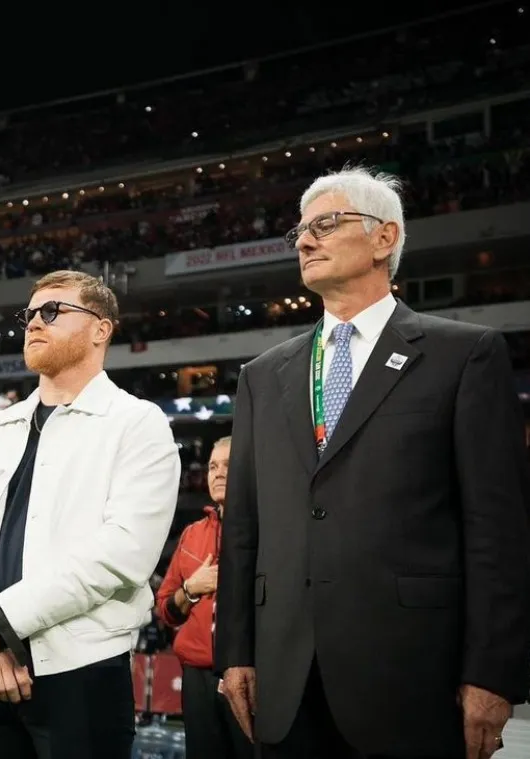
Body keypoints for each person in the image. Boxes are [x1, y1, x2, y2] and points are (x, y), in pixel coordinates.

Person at [215, 166, 530, 759]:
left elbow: (498, 530)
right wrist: (235, 652)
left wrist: (494, 670)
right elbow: (242, 532)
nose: (305, 240)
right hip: (284, 680)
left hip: (413, 678)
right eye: (301, 231)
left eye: (326, 225)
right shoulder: (262, 376)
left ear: (385, 238)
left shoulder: (463, 356)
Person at [0, 270, 181, 759]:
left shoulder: (137, 423)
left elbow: (121, 553)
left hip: (80, 670)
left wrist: (0, 623)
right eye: (29, 315)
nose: (34, 324)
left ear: (101, 329)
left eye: (53, 311)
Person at [156, 436, 254, 759]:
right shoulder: (191, 535)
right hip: (197, 680)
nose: (218, 473)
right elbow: (165, 609)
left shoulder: (265, 530)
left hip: (249, 675)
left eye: (228, 465)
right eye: (213, 466)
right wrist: (190, 589)